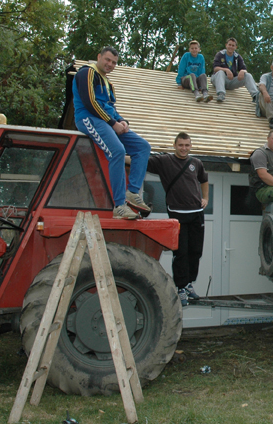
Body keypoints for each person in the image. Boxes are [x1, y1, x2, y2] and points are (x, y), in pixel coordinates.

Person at [73, 46, 151, 220]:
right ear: (99, 57)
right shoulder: (86, 73)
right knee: (118, 151)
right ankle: (119, 205)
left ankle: (132, 192)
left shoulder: (108, 83)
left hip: (107, 120)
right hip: (88, 117)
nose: (110, 64)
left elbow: (110, 108)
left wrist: (123, 121)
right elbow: (90, 102)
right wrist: (112, 123)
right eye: (107, 60)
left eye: (114, 62)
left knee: (143, 147)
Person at [146, 132, 208, 306]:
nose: (184, 148)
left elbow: (204, 179)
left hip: (196, 212)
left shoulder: (196, 163)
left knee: (195, 251)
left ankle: (188, 283)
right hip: (177, 213)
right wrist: (119, 153)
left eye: (187, 145)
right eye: (181, 145)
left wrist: (206, 198)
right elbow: (140, 159)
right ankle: (180, 287)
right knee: (180, 253)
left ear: (190, 146)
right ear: (175, 145)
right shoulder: (164, 161)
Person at [211, 37, 258, 102]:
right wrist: (226, 70)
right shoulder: (220, 54)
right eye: (229, 45)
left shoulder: (237, 57)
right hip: (218, 80)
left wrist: (242, 71)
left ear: (236, 47)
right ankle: (221, 94)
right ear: (226, 45)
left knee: (248, 75)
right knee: (220, 72)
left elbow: (244, 69)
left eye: (233, 45)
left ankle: (256, 96)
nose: (231, 47)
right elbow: (215, 68)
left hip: (230, 81)